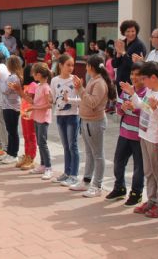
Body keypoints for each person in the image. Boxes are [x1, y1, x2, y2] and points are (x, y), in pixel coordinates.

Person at [120, 61, 158, 218]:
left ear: (153, 78)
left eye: (144, 78)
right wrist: (131, 93)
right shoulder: (149, 91)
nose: (142, 82)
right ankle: (152, 200)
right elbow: (142, 106)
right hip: (144, 135)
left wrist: (157, 109)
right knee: (148, 171)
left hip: (155, 138)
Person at [70, 55, 117, 197]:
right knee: (90, 153)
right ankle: (86, 181)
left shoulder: (100, 83)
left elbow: (92, 102)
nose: (85, 67)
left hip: (95, 122)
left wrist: (80, 89)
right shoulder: (94, 80)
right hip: (86, 120)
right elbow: (86, 99)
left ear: (90, 67)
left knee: (98, 154)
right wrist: (80, 89)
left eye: (87, 65)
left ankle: (97, 185)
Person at [107, 62, 146, 206]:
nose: (134, 78)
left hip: (139, 137)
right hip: (124, 133)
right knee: (118, 162)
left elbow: (147, 112)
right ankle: (119, 187)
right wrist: (122, 108)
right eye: (132, 74)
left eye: (138, 75)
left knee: (139, 167)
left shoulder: (147, 93)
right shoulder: (126, 90)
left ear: (145, 77)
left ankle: (136, 193)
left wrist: (134, 108)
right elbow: (118, 109)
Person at [13, 62, 53, 179]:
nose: (32, 75)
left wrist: (34, 107)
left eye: (34, 73)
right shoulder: (40, 86)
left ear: (39, 74)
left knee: (43, 143)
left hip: (43, 119)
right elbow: (33, 101)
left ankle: (48, 167)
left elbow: (49, 105)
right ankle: (42, 165)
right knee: (40, 143)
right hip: (37, 117)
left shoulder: (45, 87)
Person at [51, 54, 80, 187]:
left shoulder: (75, 80)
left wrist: (70, 100)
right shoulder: (55, 80)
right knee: (65, 146)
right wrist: (48, 99)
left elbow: (81, 99)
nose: (71, 67)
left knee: (72, 145)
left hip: (73, 115)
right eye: (68, 65)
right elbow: (53, 98)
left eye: (72, 65)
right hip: (59, 115)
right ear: (61, 65)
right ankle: (66, 173)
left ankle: (74, 175)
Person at [0, 55, 23, 165]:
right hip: (10, 106)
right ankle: (10, 152)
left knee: (12, 131)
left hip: (11, 107)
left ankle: (14, 154)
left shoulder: (13, 77)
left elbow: (5, 90)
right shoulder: (14, 76)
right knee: (11, 131)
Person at [113, 19, 147, 89]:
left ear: (136, 32)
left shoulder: (139, 45)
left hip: (132, 83)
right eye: (127, 31)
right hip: (120, 82)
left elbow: (134, 66)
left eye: (133, 31)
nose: (130, 34)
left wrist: (123, 53)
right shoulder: (122, 43)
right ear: (123, 32)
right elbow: (115, 64)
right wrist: (118, 55)